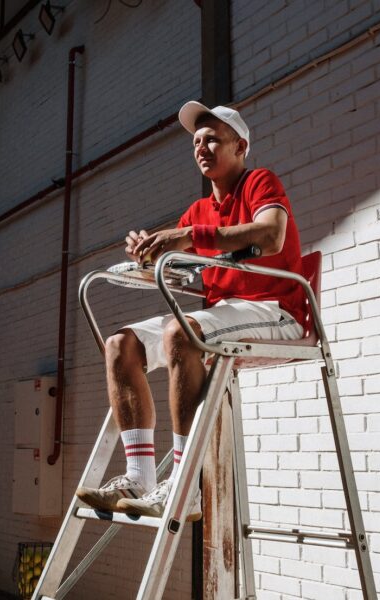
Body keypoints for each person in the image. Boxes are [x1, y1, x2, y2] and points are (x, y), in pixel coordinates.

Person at [75, 101, 308, 520]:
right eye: (197, 141)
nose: (201, 147)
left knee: (182, 334)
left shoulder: (259, 182)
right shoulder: (199, 211)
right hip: (225, 312)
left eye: (212, 139)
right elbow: (180, 256)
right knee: (120, 345)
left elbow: (271, 234)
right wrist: (147, 253)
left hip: (276, 311)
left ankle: (185, 487)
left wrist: (187, 236)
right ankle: (139, 477)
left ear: (240, 146)